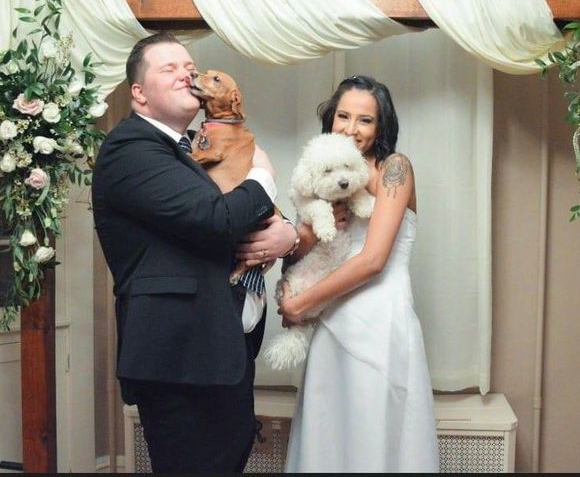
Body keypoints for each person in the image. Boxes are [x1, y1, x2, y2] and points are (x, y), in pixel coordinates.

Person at [91, 32, 299, 473]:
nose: (186, 74)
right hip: (179, 358)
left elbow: (233, 220)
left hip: (222, 350)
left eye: (189, 67)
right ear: (139, 94)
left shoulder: (191, 149)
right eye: (169, 68)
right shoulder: (131, 148)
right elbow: (216, 218)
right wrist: (263, 175)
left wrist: (287, 236)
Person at [280, 75, 439, 473]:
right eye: (343, 116)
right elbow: (299, 251)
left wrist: (300, 304)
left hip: (379, 323)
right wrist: (304, 238)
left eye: (365, 120)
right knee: (327, 440)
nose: (351, 128)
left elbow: (372, 260)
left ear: (381, 125)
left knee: (376, 438)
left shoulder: (394, 168)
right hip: (330, 323)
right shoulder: (320, 172)